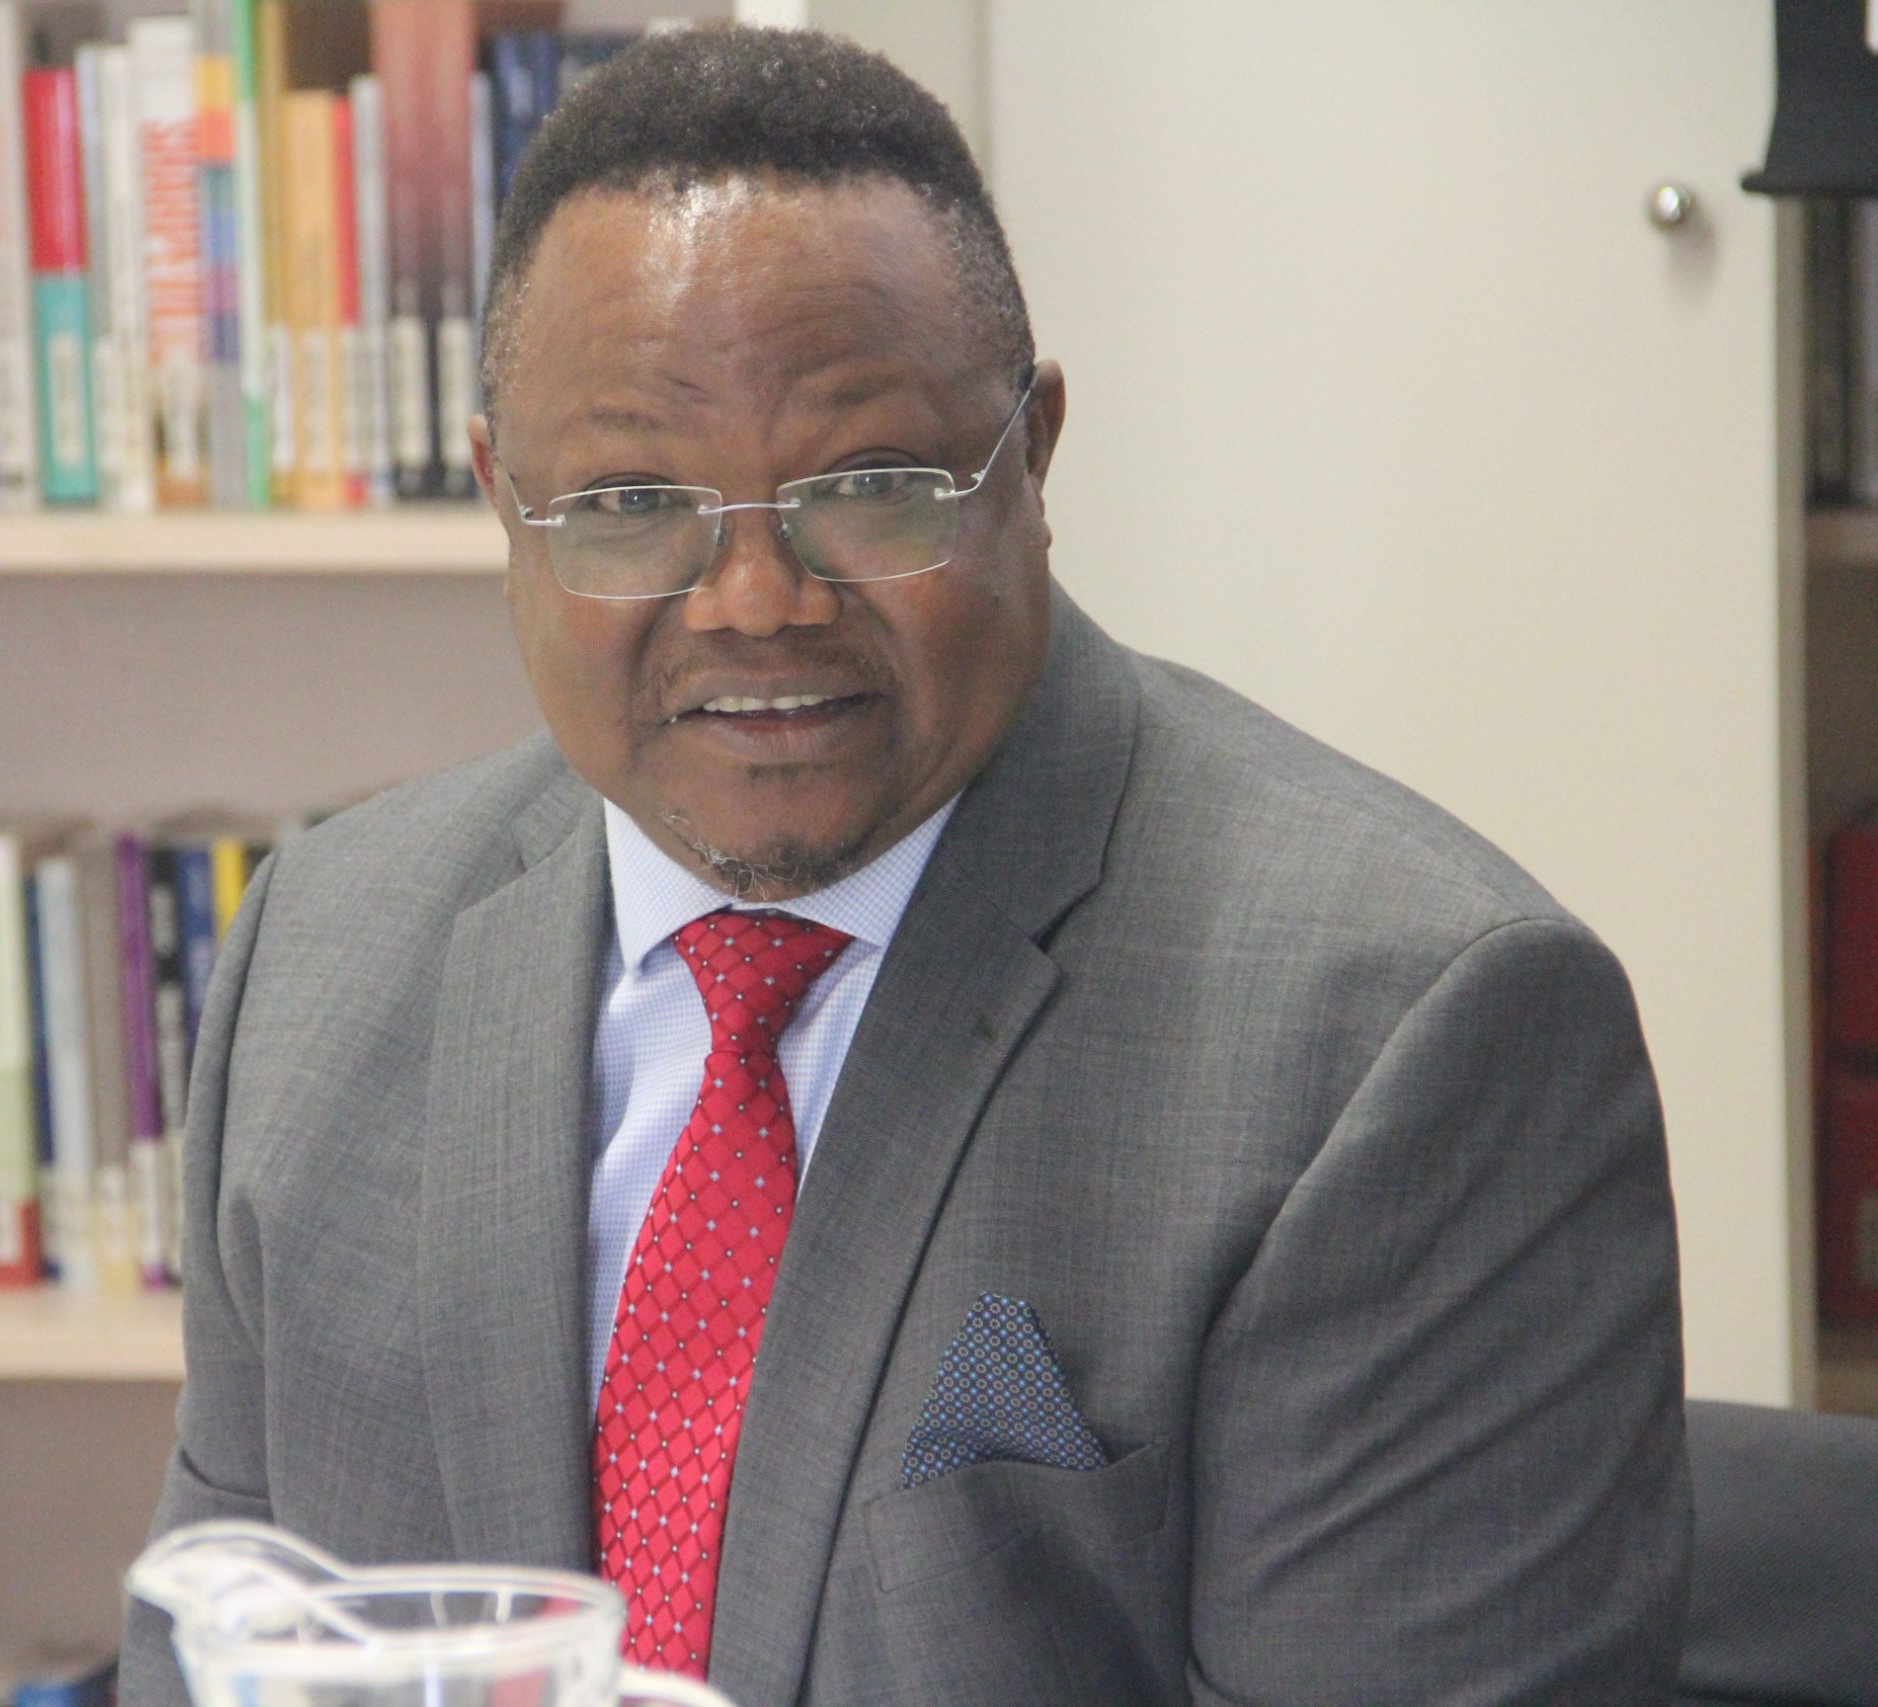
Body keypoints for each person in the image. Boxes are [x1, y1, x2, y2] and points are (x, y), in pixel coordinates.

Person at [120, 26, 1688, 1707]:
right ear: (506, 500)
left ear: (1035, 457)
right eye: (631, 503)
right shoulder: (324, 953)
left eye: (868, 489)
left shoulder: (1409, 1038)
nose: (755, 602)